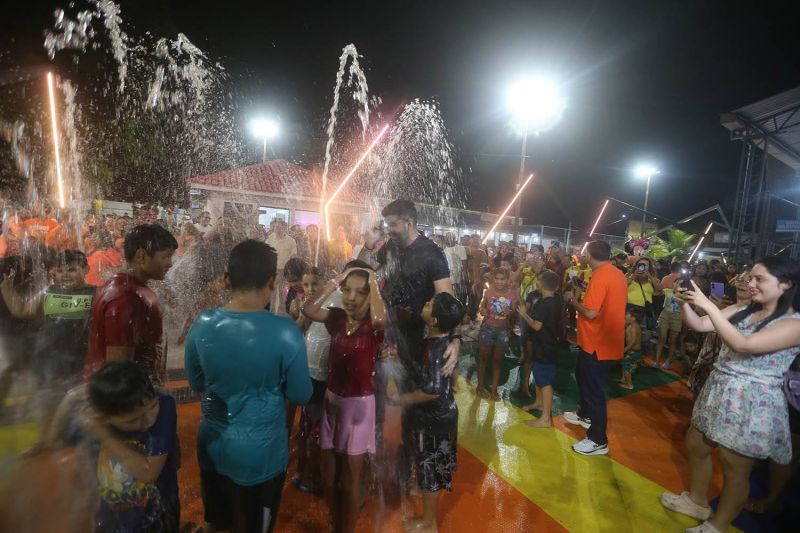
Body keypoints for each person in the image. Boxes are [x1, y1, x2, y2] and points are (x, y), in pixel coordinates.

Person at [661, 256, 800, 533]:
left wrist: (707, 304)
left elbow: (744, 344)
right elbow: (701, 325)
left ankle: (718, 525)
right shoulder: (743, 309)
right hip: (720, 387)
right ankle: (697, 501)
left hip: (752, 399)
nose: (750, 283)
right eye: (750, 277)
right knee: (696, 443)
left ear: (785, 284)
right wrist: (685, 302)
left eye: (759, 279)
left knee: (735, 468)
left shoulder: (793, 323)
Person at [185, 239, 312, 533]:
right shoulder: (285, 331)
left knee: (218, 523)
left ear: (227, 279)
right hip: (261, 455)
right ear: (272, 280)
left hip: (213, 445)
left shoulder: (203, 323)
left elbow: (196, 381)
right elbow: (301, 393)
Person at [302, 262, 387, 533]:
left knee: (350, 478)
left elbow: (380, 318)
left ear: (370, 295)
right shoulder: (337, 318)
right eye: (347, 290)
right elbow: (308, 309)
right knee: (328, 476)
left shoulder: (374, 327)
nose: (351, 298)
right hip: (331, 402)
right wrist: (335, 281)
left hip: (358, 407)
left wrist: (373, 282)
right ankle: (335, 521)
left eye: (360, 292)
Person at [387, 292, 465, 533]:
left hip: (434, 421)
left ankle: (429, 523)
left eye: (430, 304)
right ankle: (427, 505)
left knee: (431, 471)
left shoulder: (436, 350)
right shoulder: (438, 341)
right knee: (430, 468)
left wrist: (401, 399)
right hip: (440, 418)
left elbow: (432, 391)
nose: (425, 303)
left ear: (434, 321)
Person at [84, 361, 179, 532]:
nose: (148, 420)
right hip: (112, 519)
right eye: (133, 420)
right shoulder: (92, 420)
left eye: (152, 407)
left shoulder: (165, 406)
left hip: (158, 515)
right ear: (103, 417)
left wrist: (105, 435)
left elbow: (148, 472)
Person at [85, 224, 177, 386]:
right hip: (125, 396)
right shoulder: (124, 298)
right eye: (166, 256)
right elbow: (118, 371)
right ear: (141, 256)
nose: (170, 263)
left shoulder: (125, 288)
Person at [562, 241, 627, 456]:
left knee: (594, 391)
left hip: (597, 343)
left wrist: (572, 301)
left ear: (589, 255)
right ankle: (585, 415)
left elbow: (590, 313)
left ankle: (598, 439)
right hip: (603, 341)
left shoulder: (600, 276)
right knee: (583, 377)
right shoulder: (616, 273)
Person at [1, 250, 95, 390]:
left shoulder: (96, 293)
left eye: (72, 270)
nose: (65, 275)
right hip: (49, 358)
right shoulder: (48, 292)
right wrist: (7, 289)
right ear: (55, 273)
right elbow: (22, 311)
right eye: (60, 271)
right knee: (50, 394)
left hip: (81, 356)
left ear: (86, 269)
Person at [292, 266, 336, 494]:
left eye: (314, 284)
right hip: (310, 373)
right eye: (306, 285)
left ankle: (316, 474)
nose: (309, 289)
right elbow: (297, 330)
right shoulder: (304, 306)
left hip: (324, 375)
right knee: (308, 426)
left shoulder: (331, 306)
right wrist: (301, 316)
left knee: (319, 427)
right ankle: (305, 471)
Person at [517, 270, 563, 427]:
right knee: (539, 376)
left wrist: (524, 315)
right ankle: (539, 403)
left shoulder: (544, 303)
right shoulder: (558, 299)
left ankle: (545, 419)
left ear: (542, 285)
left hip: (545, 346)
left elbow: (536, 326)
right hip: (548, 344)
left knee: (545, 382)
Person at [477, 267, 517, 401]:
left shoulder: (513, 294)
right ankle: (480, 387)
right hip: (487, 328)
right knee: (483, 358)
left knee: (497, 360)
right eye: (497, 279)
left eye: (502, 279)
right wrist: (482, 310)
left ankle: (494, 390)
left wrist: (510, 312)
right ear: (493, 279)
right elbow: (482, 305)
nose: (499, 282)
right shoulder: (488, 291)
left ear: (507, 279)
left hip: (503, 330)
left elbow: (513, 310)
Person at [654, 262, 684, 368]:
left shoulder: (684, 294)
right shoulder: (668, 290)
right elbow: (658, 292)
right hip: (666, 313)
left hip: (677, 315)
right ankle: (657, 361)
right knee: (663, 338)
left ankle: (667, 361)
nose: (677, 284)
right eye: (676, 282)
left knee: (671, 340)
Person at [266, 219, 298, 315]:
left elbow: (294, 255)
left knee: (283, 293)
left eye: (279, 227)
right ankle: (271, 313)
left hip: (285, 271)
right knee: (271, 292)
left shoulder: (291, 241)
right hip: (273, 270)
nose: (277, 229)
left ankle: (282, 313)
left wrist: (292, 268)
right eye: (275, 227)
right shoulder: (270, 238)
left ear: (284, 228)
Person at [618, 307, 643, 390]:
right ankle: (623, 379)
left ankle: (629, 385)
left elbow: (633, 342)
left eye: (627, 315)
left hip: (634, 351)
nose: (625, 316)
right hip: (631, 351)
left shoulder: (634, 327)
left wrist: (625, 350)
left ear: (633, 318)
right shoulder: (631, 325)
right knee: (624, 363)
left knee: (626, 366)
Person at [444, 232, 468, 304]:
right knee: (450, 296)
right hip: (448, 278)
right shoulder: (444, 250)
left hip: (459, 278)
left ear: (454, 238)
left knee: (459, 297)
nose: (449, 239)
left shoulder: (461, 248)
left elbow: (464, 264)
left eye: (451, 237)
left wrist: (463, 277)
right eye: (448, 237)